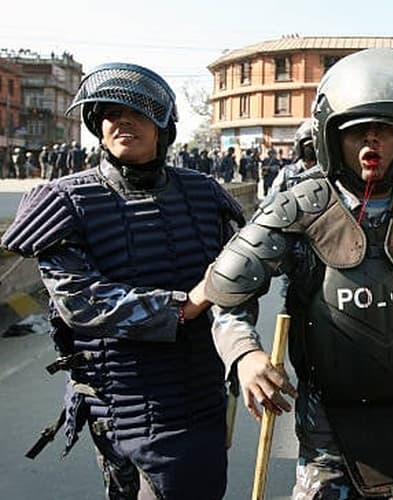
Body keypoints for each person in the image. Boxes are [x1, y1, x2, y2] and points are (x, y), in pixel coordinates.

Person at [203, 47, 393, 499]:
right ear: (334, 139)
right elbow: (228, 295)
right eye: (358, 133)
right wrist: (245, 355)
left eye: (385, 132)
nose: (372, 143)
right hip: (328, 427)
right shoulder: (298, 210)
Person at [1, 62, 244, 500]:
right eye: (111, 112)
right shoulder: (64, 201)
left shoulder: (206, 195)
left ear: (164, 123)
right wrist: (183, 305)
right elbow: (78, 299)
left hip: (196, 398)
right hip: (117, 402)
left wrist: (245, 351)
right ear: (97, 125)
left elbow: (239, 280)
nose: (123, 119)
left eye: (139, 110)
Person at [271, 118, 318, 193]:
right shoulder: (288, 173)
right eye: (309, 145)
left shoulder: (325, 173)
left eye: (316, 145)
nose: (313, 149)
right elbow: (273, 198)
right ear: (300, 147)